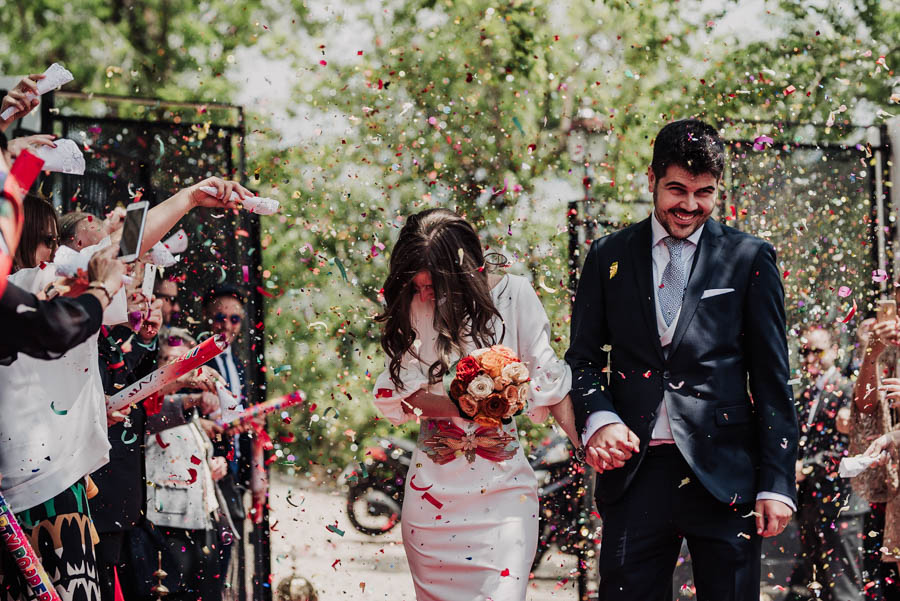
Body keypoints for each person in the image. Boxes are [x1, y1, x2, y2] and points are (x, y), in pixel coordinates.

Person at [566, 118, 798, 600]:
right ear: (651, 180)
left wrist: (776, 483)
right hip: (636, 472)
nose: (690, 206)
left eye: (704, 193)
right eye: (677, 189)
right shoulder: (607, 255)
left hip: (725, 473)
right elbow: (582, 359)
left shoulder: (749, 257)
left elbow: (773, 378)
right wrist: (601, 418)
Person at [371, 208, 579, 600]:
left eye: (432, 284)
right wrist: (466, 405)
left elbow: (549, 382)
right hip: (432, 499)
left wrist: (588, 444)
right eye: (417, 286)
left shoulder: (516, 296)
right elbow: (407, 395)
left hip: (505, 497)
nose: (425, 294)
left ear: (464, 274)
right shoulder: (414, 305)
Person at [786, 326, 864, 600]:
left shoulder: (849, 390)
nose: (809, 359)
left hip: (841, 503)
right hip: (809, 503)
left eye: (817, 351)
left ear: (834, 350)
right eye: (805, 351)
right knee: (816, 585)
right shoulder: (805, 395)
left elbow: (849, 448)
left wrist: (805, 467)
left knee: (845, 589)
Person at [201, 284, 269, 582]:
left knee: (228, 559)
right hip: (209, 468)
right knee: (211, 559)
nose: (226, 325)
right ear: (207, 318)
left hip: (235, 471)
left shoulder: (238, 365)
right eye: (219, 317)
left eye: (234, 319)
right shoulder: (198, 358)